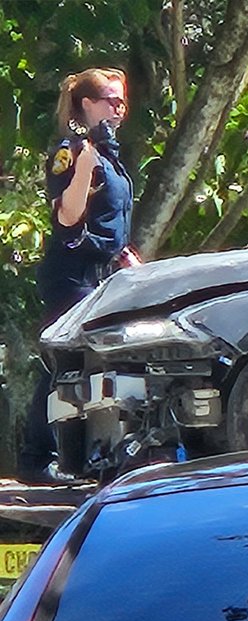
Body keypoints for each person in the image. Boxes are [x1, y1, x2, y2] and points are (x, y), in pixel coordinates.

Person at [17, 67, 135, 484]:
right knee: (61, 366)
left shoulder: (110, 155)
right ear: (87, 105)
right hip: (71, 274)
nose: (119, 108)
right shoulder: (71, 152)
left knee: (99, 364)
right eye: (110, 100)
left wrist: (124, 257)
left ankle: (90, 455)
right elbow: (68, 217)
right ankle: (35, 458)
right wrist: (85, 158)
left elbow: (109, 219)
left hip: (103, 273)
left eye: (122, 101)